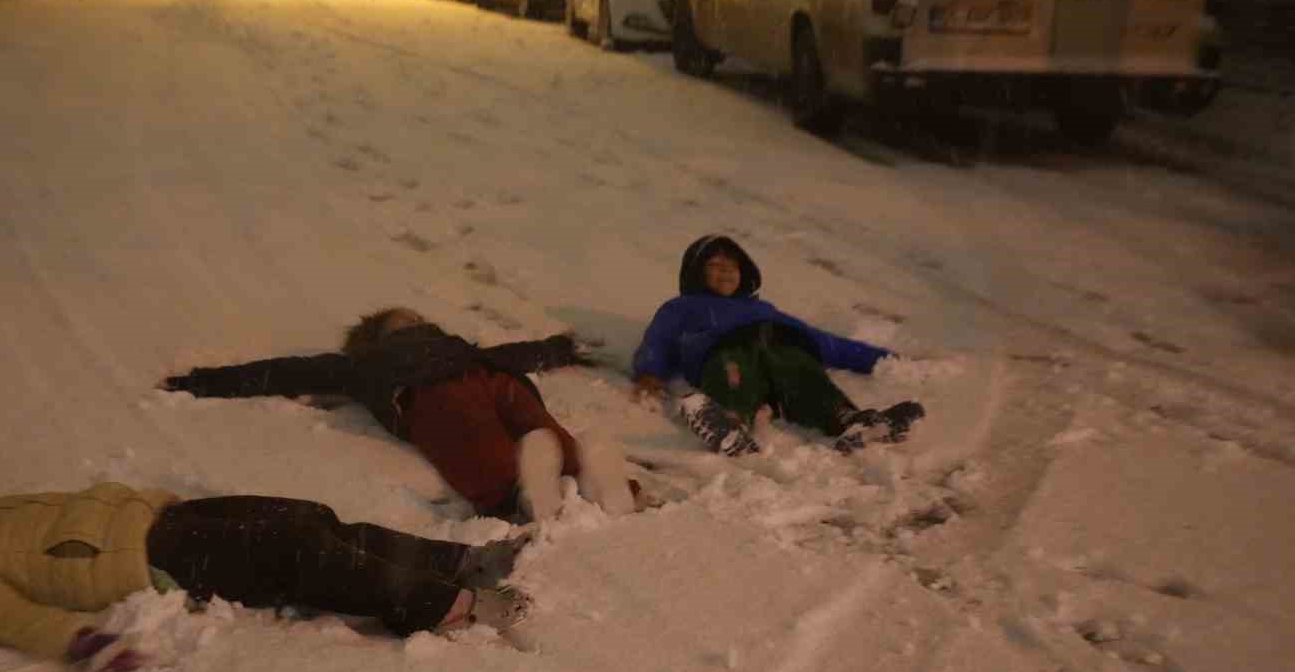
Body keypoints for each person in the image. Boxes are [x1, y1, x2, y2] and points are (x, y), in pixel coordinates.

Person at [0, 482, 536, 672]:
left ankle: (448, 560)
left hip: (165, 519)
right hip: (152, 558)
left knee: (311, 520)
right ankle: (443, 604)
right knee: (300, 555)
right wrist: (83, 643)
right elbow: (5, 616)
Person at [159, 308, 636, 522]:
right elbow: (287, 371)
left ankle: (587, 478)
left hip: (491, 379)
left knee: (541, 429)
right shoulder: (364, 365)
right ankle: (518, 495)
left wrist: (557, 348)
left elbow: (516, 354)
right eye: (400, 322)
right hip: (427, 394)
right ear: (377, 338)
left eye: (415, 318)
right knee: (477, 441)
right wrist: (205, 381)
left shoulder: (460, 348)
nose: (413, 323)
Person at [631, 235, 924, 455]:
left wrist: (886, 360)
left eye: (733, 266)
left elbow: (824, 342)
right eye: (715, 265)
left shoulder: (764, 311)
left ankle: (847, 421)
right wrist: (649, 373)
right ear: (696, 272)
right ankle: (730, 424)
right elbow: (659, 339)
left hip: (780, 346)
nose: (726, 272)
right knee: (732, 369)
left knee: (802, 370)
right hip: (726, 352)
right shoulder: (682, 307)